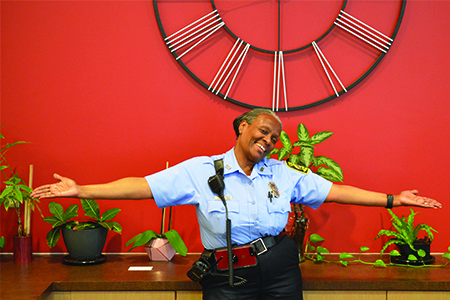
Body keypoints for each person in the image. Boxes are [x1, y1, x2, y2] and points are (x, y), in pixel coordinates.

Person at [31, 108, 442, 300]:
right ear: (243, 127)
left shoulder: (282, 174)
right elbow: (142, 186)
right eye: (263, 131)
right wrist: (82, 190)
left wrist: (393, 199)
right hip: (227, 278)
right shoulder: (198, 171)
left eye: (275, 138)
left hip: (280, 271)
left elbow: (335, 190)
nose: (269, 141)